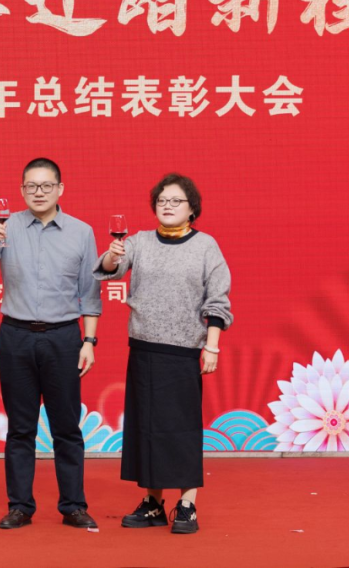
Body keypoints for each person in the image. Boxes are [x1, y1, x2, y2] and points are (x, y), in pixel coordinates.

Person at [94, 173, 232, 535]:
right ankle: (153, 503)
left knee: (181, 429)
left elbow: (217, 299)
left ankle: (187, 505)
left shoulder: (206, 246)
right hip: (143, 348)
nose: (167, 206)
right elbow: (110, 271)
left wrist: (212, 345)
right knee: (146, 428)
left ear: (192, 209)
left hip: (184, 351)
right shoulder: (138, 241)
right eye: (162, 201)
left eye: (176, 201)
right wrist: (111, 256)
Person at [0, 157, 101, 530]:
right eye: (31, 186)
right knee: (20, 427)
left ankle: (73, 506)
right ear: (22, 190)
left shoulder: (81, 232)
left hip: (63, 338)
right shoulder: (6, 226)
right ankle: (20, 506)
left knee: (67, 427)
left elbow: (90, 293)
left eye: (46, 186)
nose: (38, 192)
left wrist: (89, 340)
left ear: (60, 189)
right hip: (16, 337)